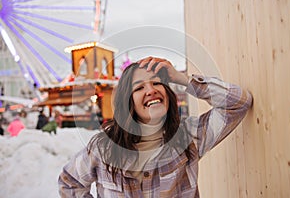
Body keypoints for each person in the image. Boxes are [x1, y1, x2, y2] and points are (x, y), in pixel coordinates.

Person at [58, 57, 253, 197]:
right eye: (139, 87)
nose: (151, 91)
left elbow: (239, 102)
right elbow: (69, 183)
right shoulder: (103, 147)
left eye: (157, 83)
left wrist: (182, 78)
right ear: (128, 102)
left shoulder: (188, 137)